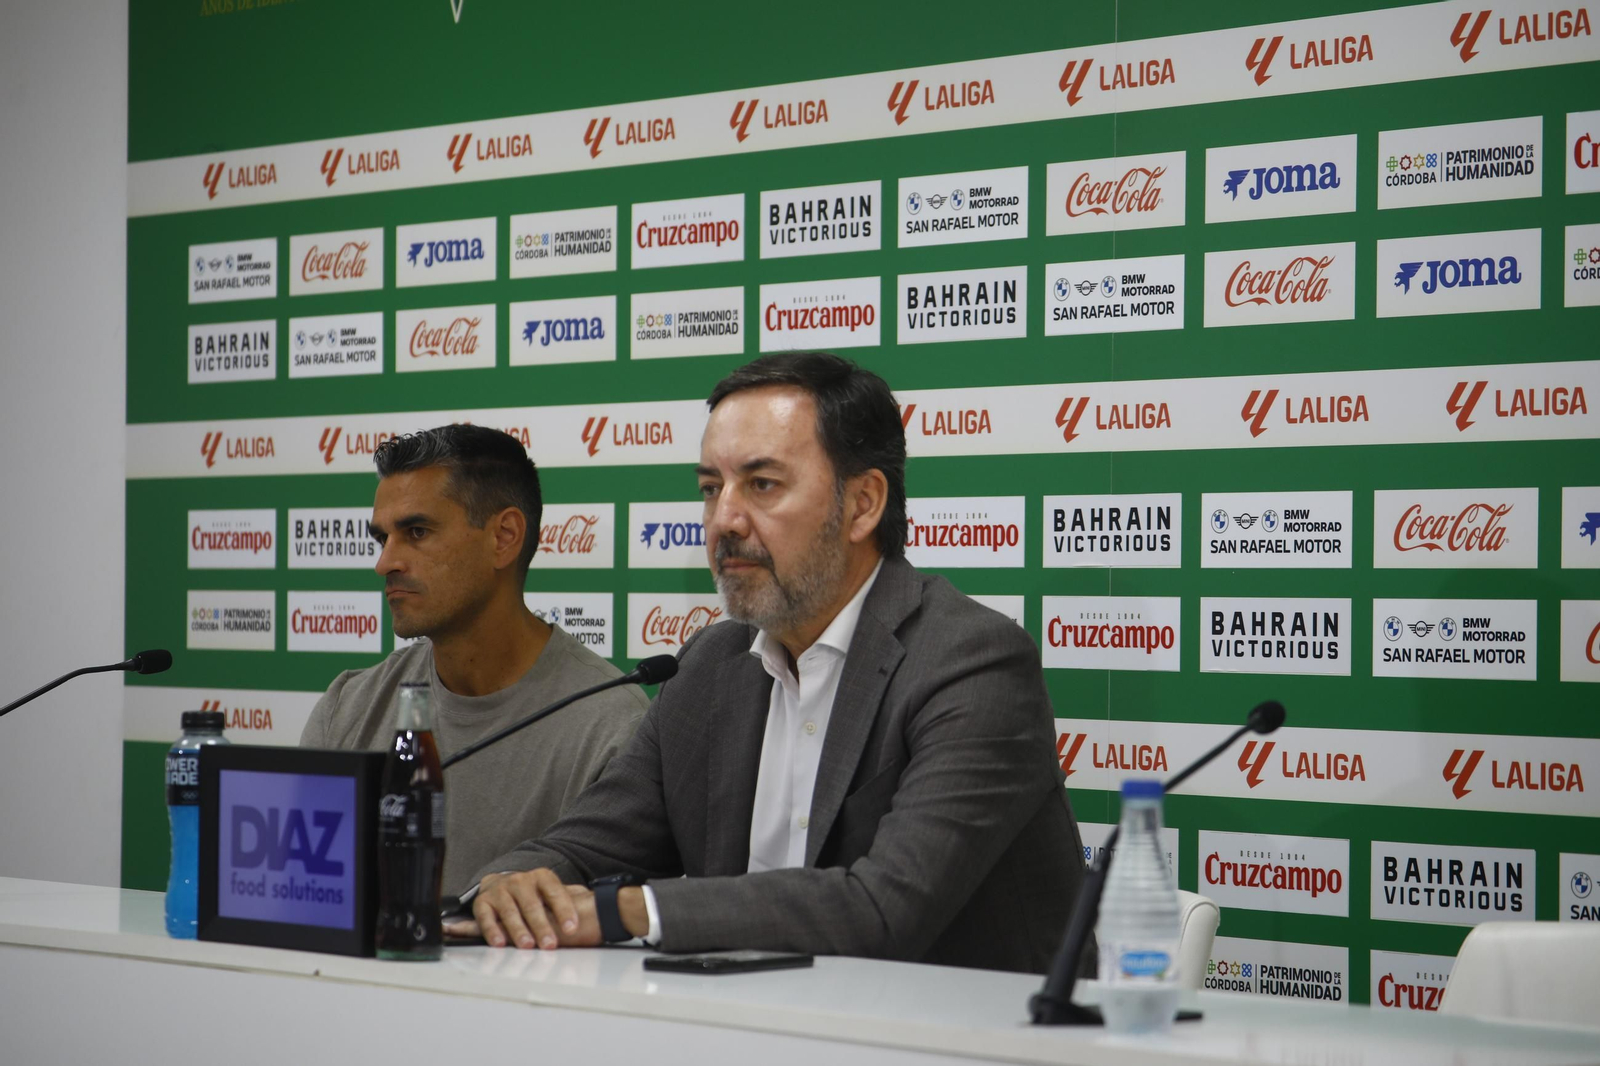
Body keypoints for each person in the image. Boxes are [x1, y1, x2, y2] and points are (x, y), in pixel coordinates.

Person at [454, 352, 1089, 974]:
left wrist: (625, 911)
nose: (723, 519)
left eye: (762, 484)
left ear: (864, 503)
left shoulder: (971, 662)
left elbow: (884, 910)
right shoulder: (712, 665)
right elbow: (583, 845)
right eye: (711, 488)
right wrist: (510, 888)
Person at [300, 425, 647, 896]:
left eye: (416, 532)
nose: (385, 563)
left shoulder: (609, 728)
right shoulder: (348, 708)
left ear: (504, 537)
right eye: (382, 538)